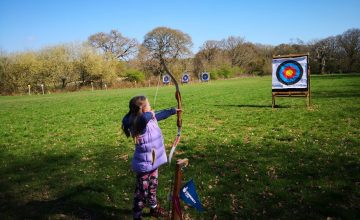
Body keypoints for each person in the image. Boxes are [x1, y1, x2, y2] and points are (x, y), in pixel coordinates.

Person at [122, 95, 179, 219]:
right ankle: (137, 215)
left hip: (153, 162)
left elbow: (160, 114)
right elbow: (144, 118)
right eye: (148, 105)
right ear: (141, 109)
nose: (151, 107)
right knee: (141, 193)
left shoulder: (149, 118)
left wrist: (174, 111)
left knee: (153, 186)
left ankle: (153, 208)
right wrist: (150, 114)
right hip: (144, 165)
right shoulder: (137, 122)